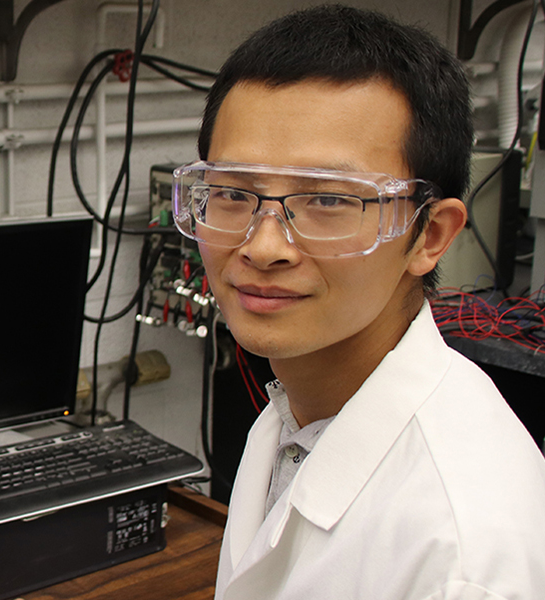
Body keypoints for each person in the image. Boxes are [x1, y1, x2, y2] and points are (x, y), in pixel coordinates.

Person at [171, 4, 545, 599]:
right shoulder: (301, 407)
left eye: (330, 201)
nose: (264, 246)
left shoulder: (463, 559)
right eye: (232, 192)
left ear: (430, 235)